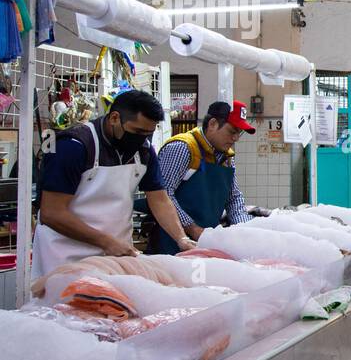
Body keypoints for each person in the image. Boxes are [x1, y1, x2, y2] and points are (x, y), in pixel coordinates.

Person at [33, 89, 195, 278]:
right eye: (137, 131)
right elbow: (52, 213)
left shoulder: (143, 151)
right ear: (114, 118)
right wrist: (106, 242)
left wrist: (181, 238)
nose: (143, 139)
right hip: (64, 257)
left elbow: (159, 199)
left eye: (148, 133)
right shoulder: (73, 145)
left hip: (116, 256)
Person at [149, 100, 255, 254]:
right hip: (171, 242)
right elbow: (163, 195)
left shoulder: (226, 158)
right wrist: (192, 228)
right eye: (232, 131)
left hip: (204, 241)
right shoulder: (182, 148)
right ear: (212, 124)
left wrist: (243, 232)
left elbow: (234, 198)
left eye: (239, 133)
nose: (236, 138)